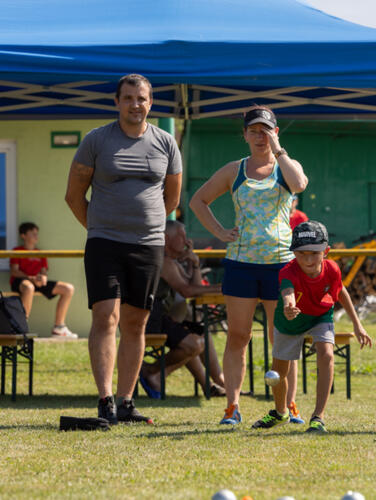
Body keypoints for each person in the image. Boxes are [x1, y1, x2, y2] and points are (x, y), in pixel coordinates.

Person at [65, 74, 182, 425]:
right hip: (105, 244)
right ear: (116, 102)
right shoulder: (96, 140)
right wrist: (101, 229)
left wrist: (147, 229)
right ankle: (105, 400)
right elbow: (73, 196)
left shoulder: (165, 142)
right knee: (106, 317)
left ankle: (127, 401)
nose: (135, 104)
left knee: (135, 323)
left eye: (142, 98)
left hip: (148, 245)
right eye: (128, 98)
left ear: (150, 103)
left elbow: (172, 197)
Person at [190, 106, 308, 425]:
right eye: (253, 131)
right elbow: (197, 200)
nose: (260, 136)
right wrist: (218, 231)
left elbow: (299, 184)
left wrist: (279, 150)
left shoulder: (285, 166)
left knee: (281, 337)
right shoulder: (234, 170)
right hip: (241, 264)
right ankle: (232, 406)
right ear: (244, 135)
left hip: (281, 264)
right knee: (238, 336)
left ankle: (289, 405)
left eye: (266, 130)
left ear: (276, 132)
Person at [252, 221, 372, 433]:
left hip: (319, 314)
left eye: (314, 253)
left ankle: (318, 417)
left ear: (326, 251)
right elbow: (287, 292)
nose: (307, 259)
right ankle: (280, 413)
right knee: (279, 373)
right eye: (301, 253)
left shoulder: (332, 269)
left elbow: (340, 291)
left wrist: (358, 324)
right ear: (294, 253)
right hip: (289, 319)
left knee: (326, 354)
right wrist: (290, 306)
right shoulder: (288, 271)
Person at [139, 220, 226, 398]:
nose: (187, 240)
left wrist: (193, 264)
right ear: (165, 239)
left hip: (162, 317)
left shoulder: (172, 261)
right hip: (150, 320)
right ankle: (151, 371)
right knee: (194, 343)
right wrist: (224, 288)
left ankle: (218, 383)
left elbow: (193, 287)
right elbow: (187, 291)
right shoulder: (163, 261)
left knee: (200, 335)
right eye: (181, 236)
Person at [9, 222, 77, 338]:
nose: (36, 236)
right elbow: (14, 271)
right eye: (33, 234)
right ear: (23, 235)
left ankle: (59, 328)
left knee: (68, 289)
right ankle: (20, 327)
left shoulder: (40, 253)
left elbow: (44, 271)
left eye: (37, 234)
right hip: (21, 282)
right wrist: (31, 278)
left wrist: (42, 279)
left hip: (37, 282)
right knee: (29, 288)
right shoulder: (17, 250)